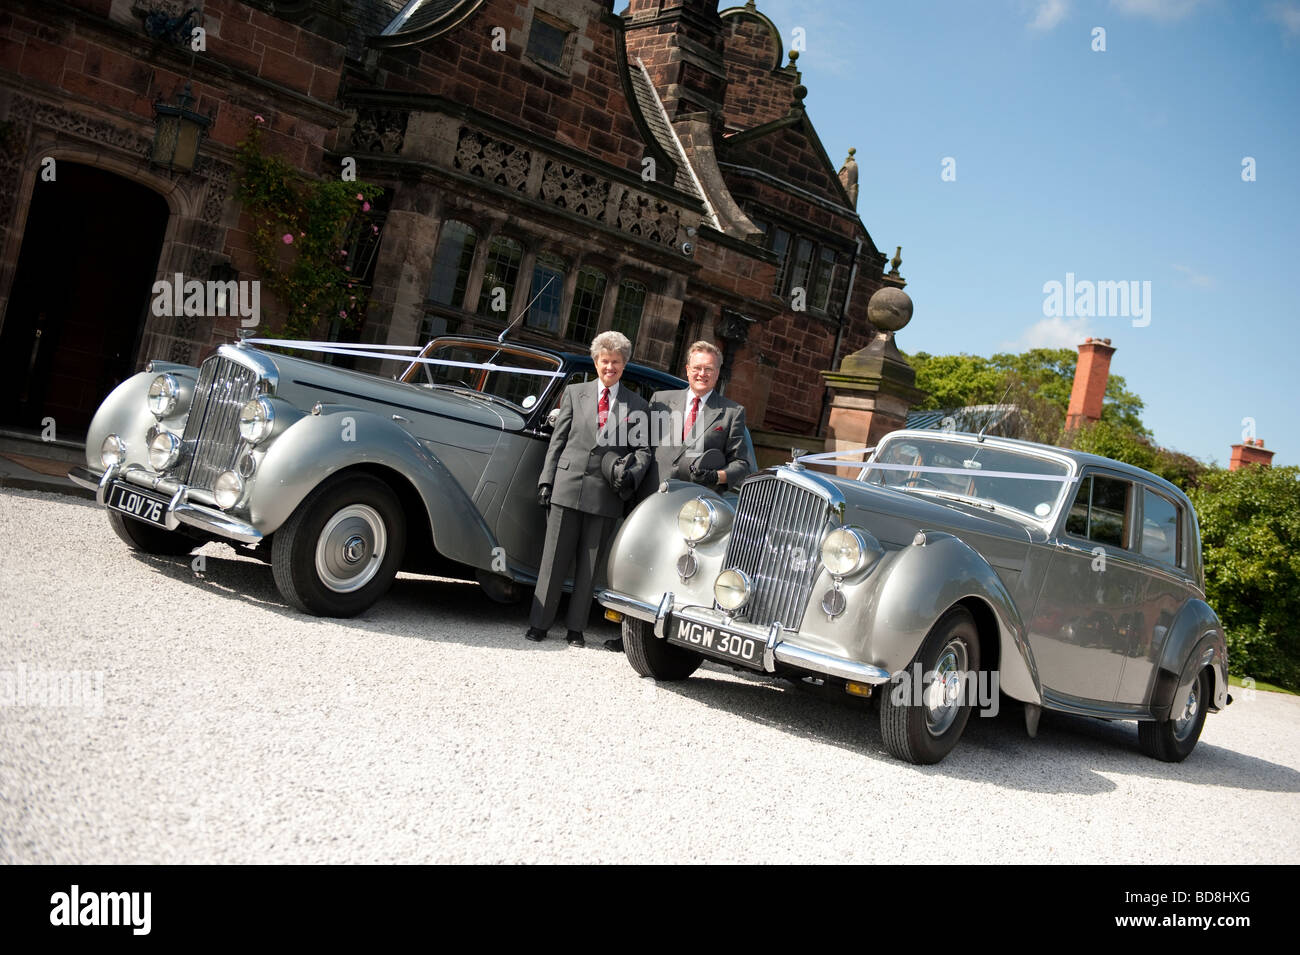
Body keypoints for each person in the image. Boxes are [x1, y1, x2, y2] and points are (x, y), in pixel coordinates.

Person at [526, 331, 651, 648]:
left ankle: (575, 629)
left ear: (625, 365)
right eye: (605, 361)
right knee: (553, 560)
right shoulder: (574, 393)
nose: (610, 368)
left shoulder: (636, 405)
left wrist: (630, 477)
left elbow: (643, 451)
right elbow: (558, 442)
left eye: (617, 363)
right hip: (566, 487)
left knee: (589, 567)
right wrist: (546, 481)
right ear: (596, 362)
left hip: (606, 493)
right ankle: (539, 624)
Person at [643, 340, 755, 495]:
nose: (702, 374)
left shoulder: (732, 412)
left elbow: (742, 464)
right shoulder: (660, 401)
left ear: (717, 373)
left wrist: (716, 477)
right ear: (688, 370)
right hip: (650, 496)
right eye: (697, 368)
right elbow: (642, 447)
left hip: (695, 504)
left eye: (708, 369)